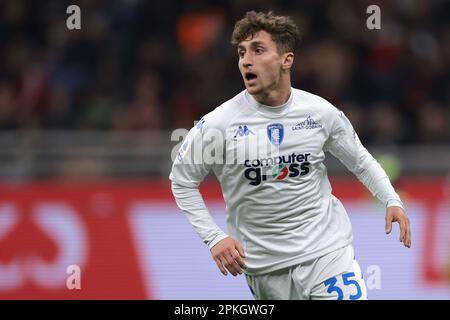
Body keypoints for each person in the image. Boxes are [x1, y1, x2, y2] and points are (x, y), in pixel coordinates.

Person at [169, 11, 411, 300]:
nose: (246, 60)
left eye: (258, 50)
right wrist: (214, 238)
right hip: (265, 269)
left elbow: (360, 160)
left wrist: (390, 199)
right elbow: (182, 180)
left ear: (287, 60)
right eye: (242, 52)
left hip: (327, 254)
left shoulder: (320, 113)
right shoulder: (218, 125)